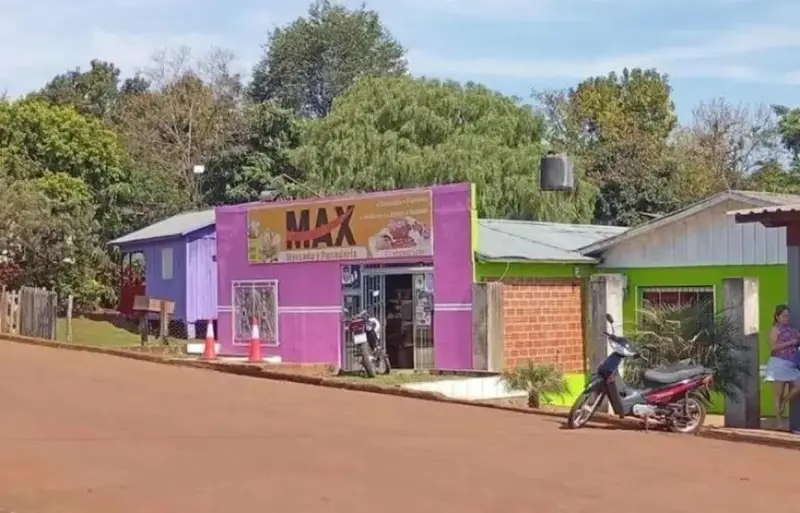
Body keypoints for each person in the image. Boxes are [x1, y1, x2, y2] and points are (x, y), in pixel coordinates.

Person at [765, 305, 800, 428]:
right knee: (778, 394)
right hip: (779, 363)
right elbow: (773, 348)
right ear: (777, 316)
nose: (786, 318)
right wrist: (791, 342)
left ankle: (784, 402)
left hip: (792, 364)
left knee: (798, 386)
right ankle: (779, 422)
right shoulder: (775, 329)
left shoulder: (792, 330)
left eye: (787, 316)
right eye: (784, 316)